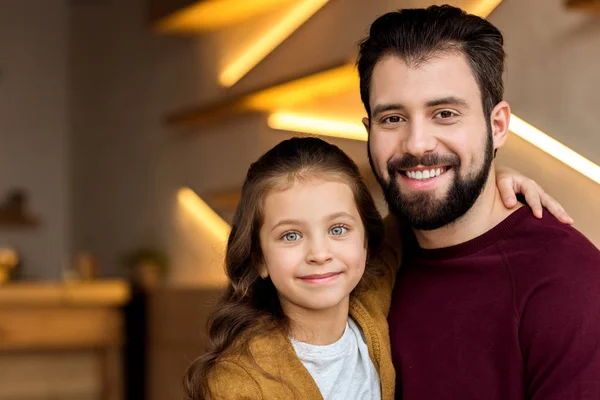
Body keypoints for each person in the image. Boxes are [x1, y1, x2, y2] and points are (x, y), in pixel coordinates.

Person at [183, 136, 569, 400]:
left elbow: (413, 216)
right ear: (259, 259)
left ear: (365, 242)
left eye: (338, 229)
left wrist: (491, 183)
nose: (319, 253)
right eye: (290, 236)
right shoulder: (239, 382)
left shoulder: (370, 294)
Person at [358, 5, 600, 399]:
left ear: (497, 126)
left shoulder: (569, 285)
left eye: (445, 113)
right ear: (369, 131)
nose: (417, 143)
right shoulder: (359, 260)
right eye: (393, 119)